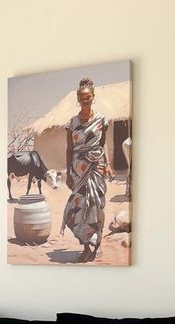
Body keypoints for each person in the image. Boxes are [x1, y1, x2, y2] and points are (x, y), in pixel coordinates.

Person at [62, 77, 112, 262]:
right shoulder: (72, 123)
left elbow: (103, 144)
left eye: (88, 96)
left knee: (96, 207)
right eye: (82, 97)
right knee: (77, 208)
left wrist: (108, 164)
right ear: (78, 98)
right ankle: (85, 247)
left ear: (93, 97)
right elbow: (69, 149)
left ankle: (96, 245)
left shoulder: (100, 120)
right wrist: (68, 173)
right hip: (78, 171)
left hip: (96, 168)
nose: (85, 100)